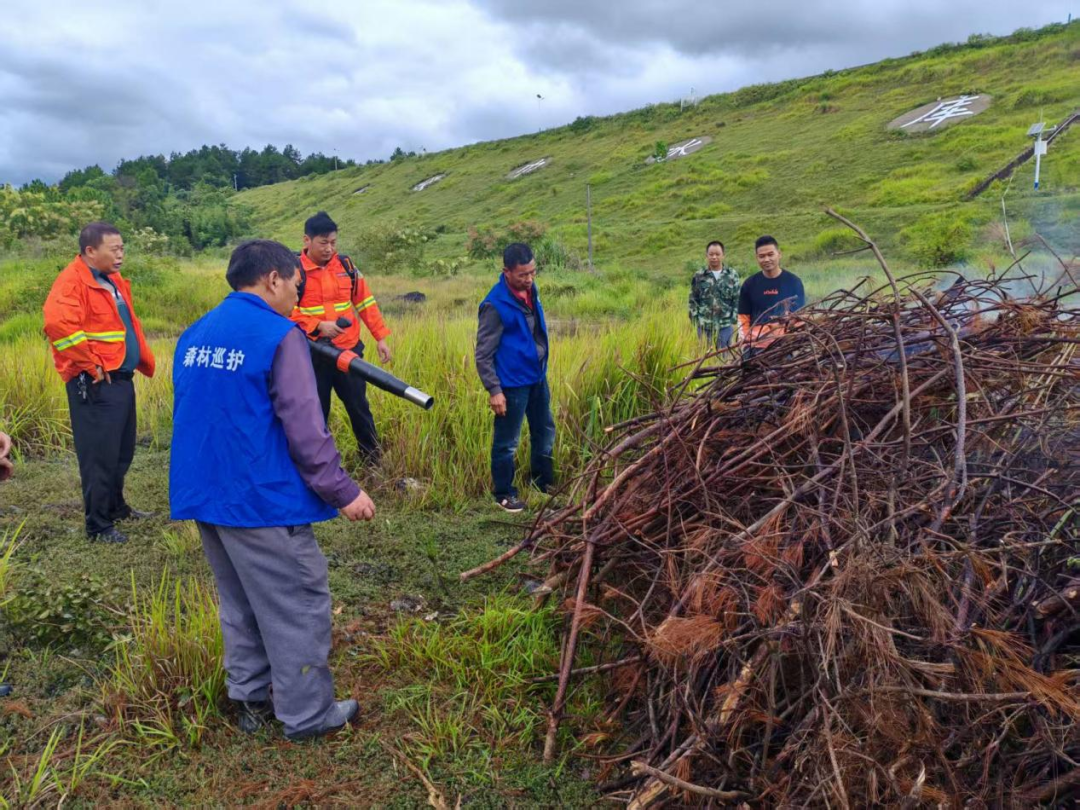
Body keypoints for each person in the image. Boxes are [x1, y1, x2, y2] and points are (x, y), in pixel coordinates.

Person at [170, 239, 375, 741]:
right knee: (296, 602)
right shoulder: (279, 336)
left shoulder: (196, 333)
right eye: (296, 287)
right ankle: (307, 714)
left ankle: (251, 699)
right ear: (273, 279)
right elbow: (306, 428)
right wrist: (343, 491)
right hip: (260, 498)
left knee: (240, 601)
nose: (297, 298)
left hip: (207, 493)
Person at [42, 222, 155, 543]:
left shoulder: (110, 279)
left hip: (120, 378)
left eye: (122, 248)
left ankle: (116, 507)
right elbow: (58, 325)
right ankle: (98, 525)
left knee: (121, 450)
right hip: (95, 383)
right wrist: (90, 363)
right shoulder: (72, 282)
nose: (121, 255)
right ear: (91, 251)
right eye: (114, 249)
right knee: (99, 456)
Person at [290, 211, 391, 465]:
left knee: (359, 407)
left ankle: (372, 460)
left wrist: (380, 337)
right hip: (313, 353)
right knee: (315, 412)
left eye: (333, 242)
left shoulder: (346, 266)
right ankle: (318, 464)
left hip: (348, 351)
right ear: (307, 240)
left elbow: (365, 302)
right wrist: (317, 326)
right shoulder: (294, 271)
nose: (329, 248)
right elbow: (286, 311)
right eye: (323, 243)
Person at [475, 242, 555, 513]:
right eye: (523, 274)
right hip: (511, 384)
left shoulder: (531, 291)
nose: (529, 279)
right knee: (507, 442)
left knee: (544, 431)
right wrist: (494, 390)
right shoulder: (495, 305)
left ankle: (542, 484)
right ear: (506, 272)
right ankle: (504, 494)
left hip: (537, 377)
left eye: (533, 272)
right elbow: (483, 354)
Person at [737, 235, 806, 352]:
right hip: (755, 346)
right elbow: (743, 317)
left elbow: (800, 316)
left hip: (783, 346)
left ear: (779, 254)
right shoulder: (749, 284)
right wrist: (745, 343)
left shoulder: (793, 282)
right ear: (757, 258)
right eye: (762, 256)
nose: (766, 259)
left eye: (770, 254)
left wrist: (795, 342)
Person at [688, 240, 740, 348]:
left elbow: (737, 299)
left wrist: (733, 319)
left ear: (723, 255)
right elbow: (693, 300)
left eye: (717, 254)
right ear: (706, 256)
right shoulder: (699, 275)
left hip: (725, 326)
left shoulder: (732, 275)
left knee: (724, 355)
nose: (714, 257)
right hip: (704, 326)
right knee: (704, 355)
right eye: (711, 254)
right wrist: (695, 320)